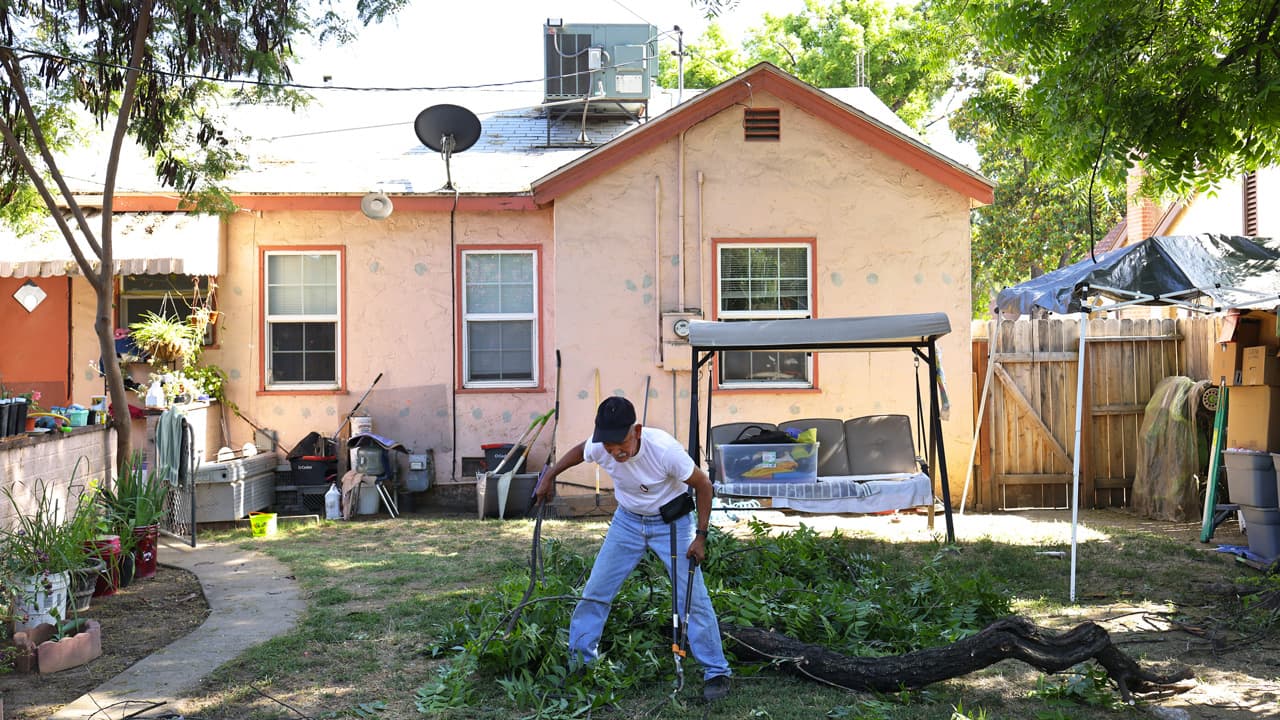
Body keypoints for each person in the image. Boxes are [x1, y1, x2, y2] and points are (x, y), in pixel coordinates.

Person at [533, 396, 732, 701]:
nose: (615, 452)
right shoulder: (602, 446)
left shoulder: (664, 450)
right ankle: (581, 665)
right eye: (609, 446)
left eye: (620, 443)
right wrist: (550, 475)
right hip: (627, 523)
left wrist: (701, 536)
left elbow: (704, 485)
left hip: (672, 524)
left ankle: (716, 671)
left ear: (636, 430)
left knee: (692, 596)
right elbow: (578, 451)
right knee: (595, 591)